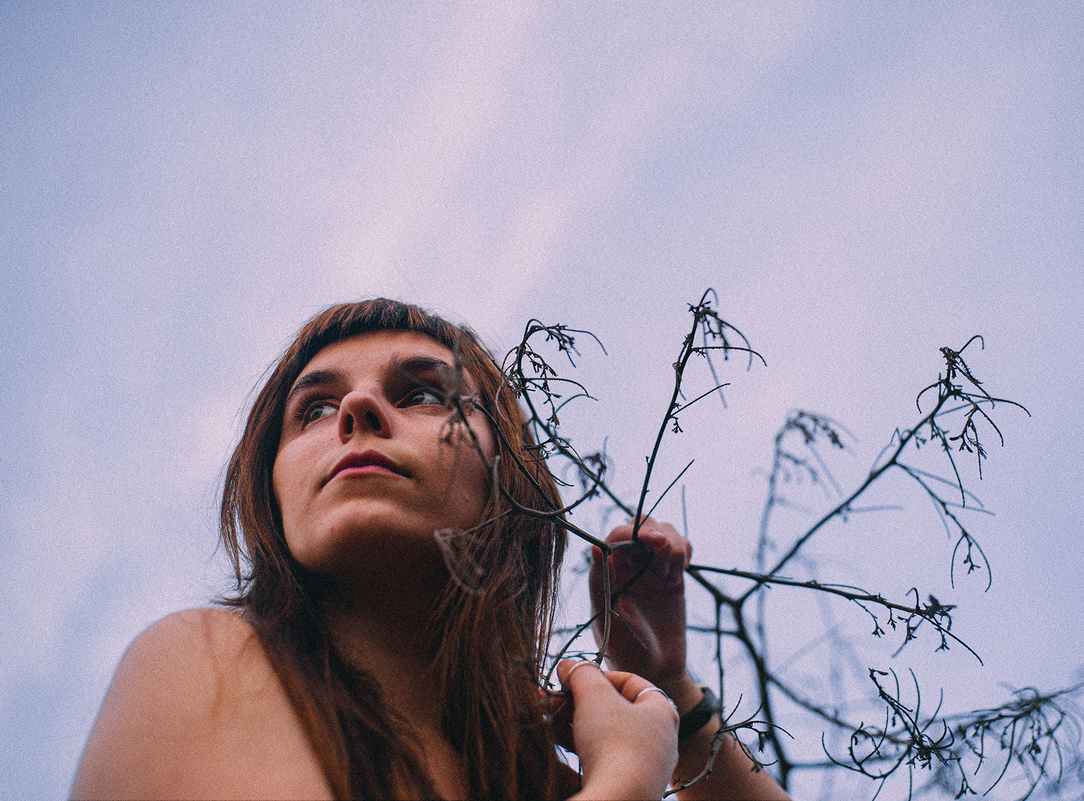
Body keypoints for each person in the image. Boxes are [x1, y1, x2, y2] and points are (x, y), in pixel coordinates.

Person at [71, 299, 789, 800]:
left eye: (421, 394)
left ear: (511, 483)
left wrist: (671, 691)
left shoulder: (539, 780)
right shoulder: (202, 659)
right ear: (272, 491)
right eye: (314, 409)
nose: (358, 410)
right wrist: (627, 782)